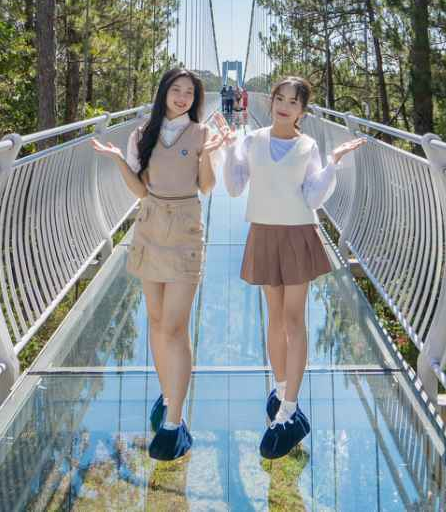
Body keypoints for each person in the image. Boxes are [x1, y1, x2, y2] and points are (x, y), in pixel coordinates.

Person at [91, 67, 231, 460]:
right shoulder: (142, 134)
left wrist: (206, 153)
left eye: (190, 92)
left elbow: (206, 187)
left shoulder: (202, 133)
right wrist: (120, 159)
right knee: (155, 320)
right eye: (177, 89)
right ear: (164, 92)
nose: (183, 97)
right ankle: (169, 391)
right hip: (150, 226)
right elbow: (140, 190)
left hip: (185, 229)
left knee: (175, 325)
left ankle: (174, 419)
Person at [223, 75, 364, 459]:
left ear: (303, 110)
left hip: (298, 232)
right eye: (280, 98)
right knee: (274, 317)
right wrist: (230, 148)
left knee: (293, 320)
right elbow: (235, 187)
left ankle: (289, 408)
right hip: (265, 232)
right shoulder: (252, 140)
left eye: (293, 101)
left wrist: (333, 162)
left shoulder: (308, 145)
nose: (285, 105)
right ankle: (281, 387)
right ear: (272, 102)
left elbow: (313, 195)